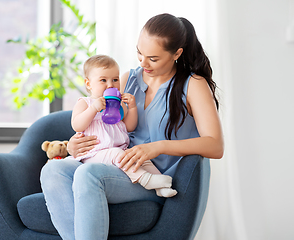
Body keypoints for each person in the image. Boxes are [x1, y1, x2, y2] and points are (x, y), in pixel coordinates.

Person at [40, 13, 224, 240]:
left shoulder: (193, 85)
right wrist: (77, 145)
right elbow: (104, 124)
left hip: (154, 177)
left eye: (153, 58)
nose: (142, 63)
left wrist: (157, 147)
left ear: (177, 53)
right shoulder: (127, 79)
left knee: (88, 175)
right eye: (139, 52)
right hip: (118, 165)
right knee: (52, 170)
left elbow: (215, 146)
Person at [64, 54, 177, 198]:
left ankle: (161, 186)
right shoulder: (85, 103)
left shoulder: (117, 105)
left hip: (120, 150)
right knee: (116, 154)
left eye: (115, 80)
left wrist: (132, 108)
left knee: (141, 157)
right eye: (103, 80)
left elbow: (129, 127)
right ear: (88, 84)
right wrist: (93, 109)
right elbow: (77, 125)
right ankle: (145, 180)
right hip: (95, 154)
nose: (110, 85)